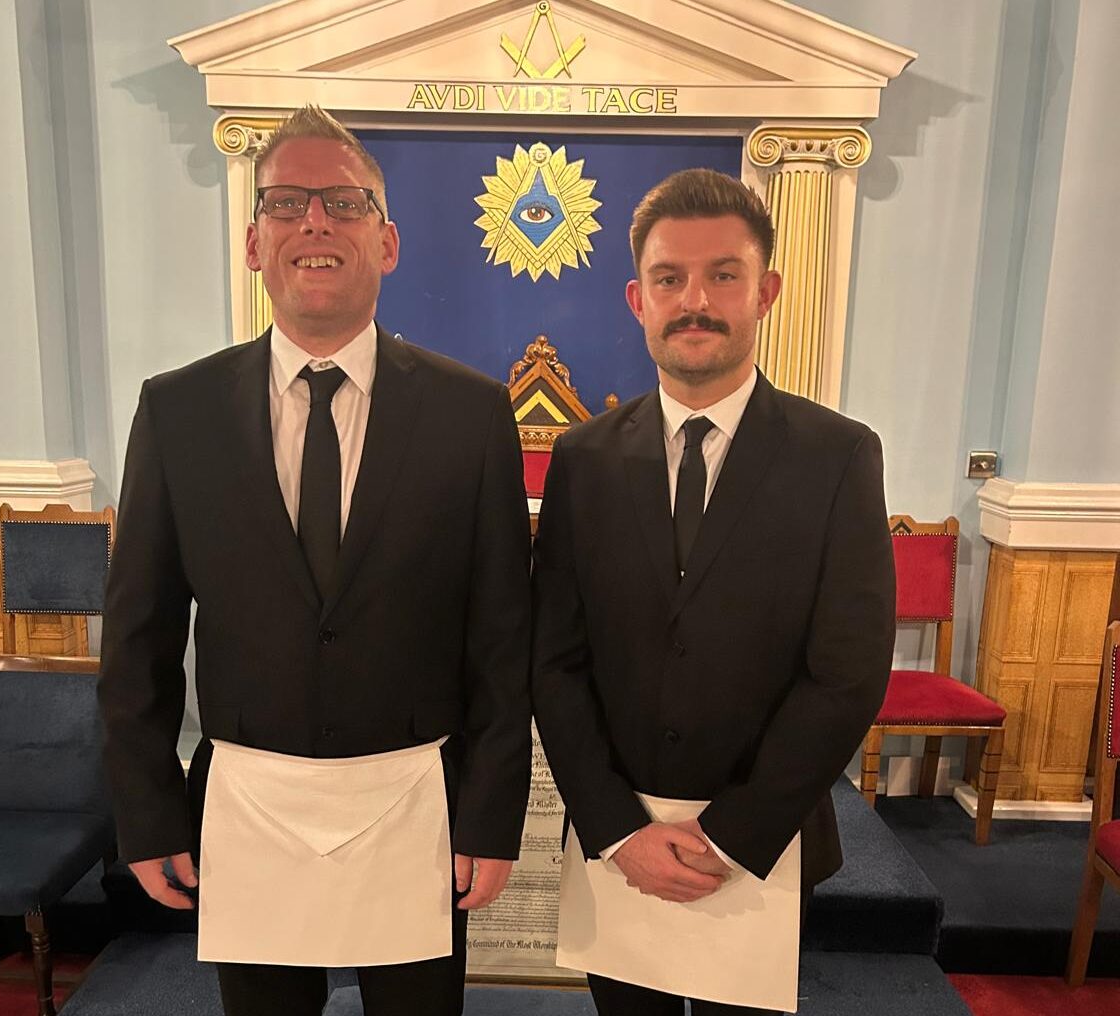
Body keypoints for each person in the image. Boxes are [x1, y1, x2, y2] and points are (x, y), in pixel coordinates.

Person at [99, 105, 532, 1016]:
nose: (315, 222)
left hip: (415, 805)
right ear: (254, 243)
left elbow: (501, 637)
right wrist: (147, 809)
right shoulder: (178, 412)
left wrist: (493, 817)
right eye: (286, 202)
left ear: (388, 242)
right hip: (250, 805)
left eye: (344, 202)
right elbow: (139, 635)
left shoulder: (471, 414)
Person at [531, 168, 896, 1015]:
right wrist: (618, 827)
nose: (694, 300)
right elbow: (554, 660)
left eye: (723, 275)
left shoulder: (838, 456)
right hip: (620, 842)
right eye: (669, 278)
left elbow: (846, 672)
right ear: (638, 300)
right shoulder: (583, 459)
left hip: (763, 844)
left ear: (765, 291)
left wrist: (730, 834)